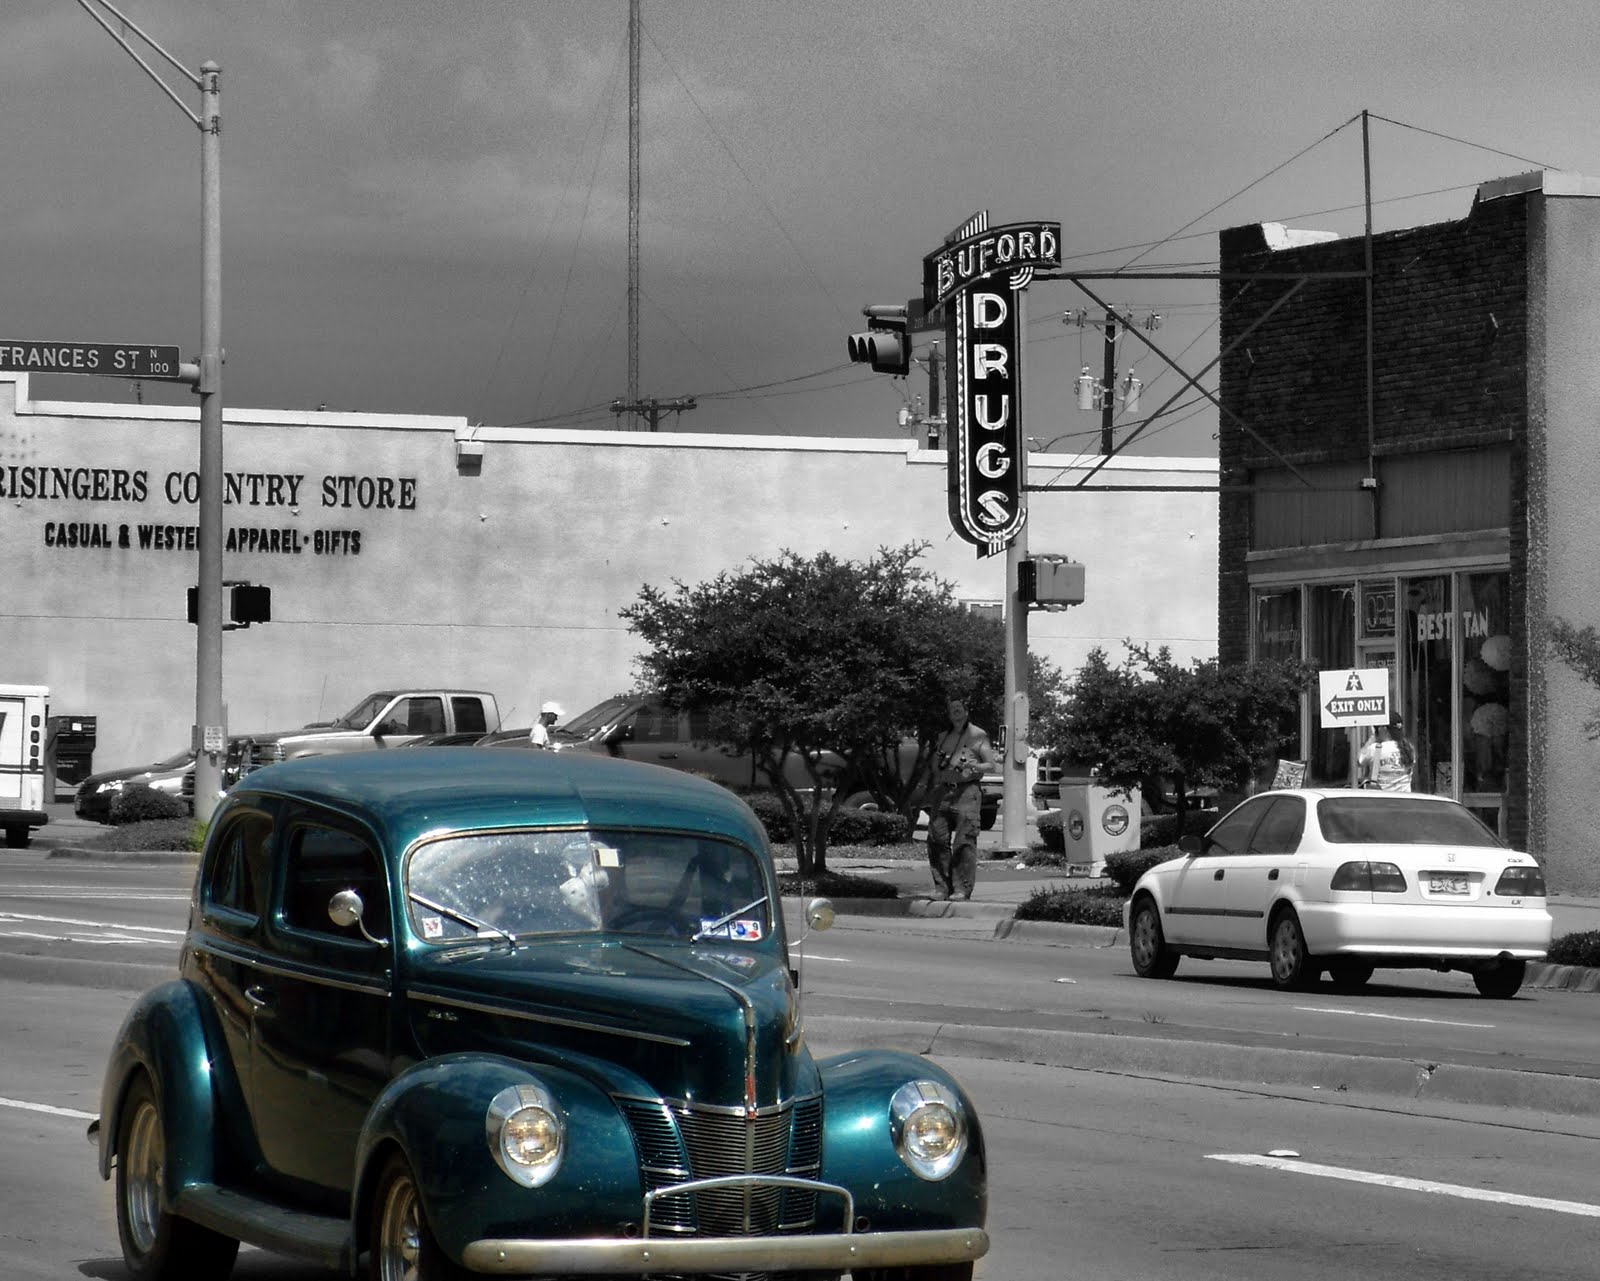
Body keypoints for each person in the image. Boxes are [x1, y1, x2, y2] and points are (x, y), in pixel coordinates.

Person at [925, 697, 997, 901]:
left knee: (963, 841)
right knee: (936, 838)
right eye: (952, 709)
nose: (955, 711)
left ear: (966, 711)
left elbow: (991, 765)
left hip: (967, 791)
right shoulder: (942, 737)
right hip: (943, 791)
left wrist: (972, 767)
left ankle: (961, 889)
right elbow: (934, 765)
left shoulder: (978, 735)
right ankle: (942, 888)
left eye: (959, 708)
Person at [1358, 714, 1414, 792]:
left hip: (1383, 800)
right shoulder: (1409, 749)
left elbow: (1358, 761)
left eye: (1377, 728)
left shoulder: (1376, 749)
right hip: (1405, 799)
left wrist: (1372, 739)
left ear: (1383, 729)